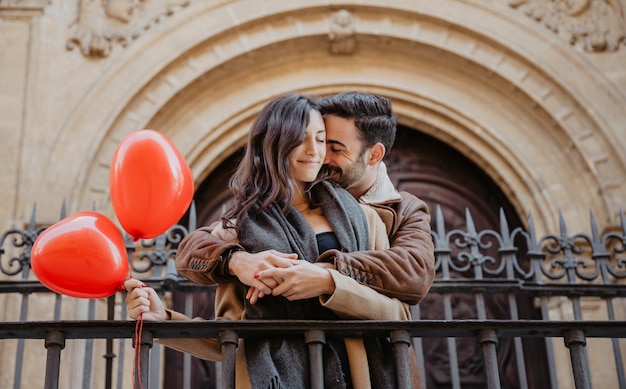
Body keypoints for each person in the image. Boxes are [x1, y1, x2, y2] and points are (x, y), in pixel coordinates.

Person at [125, 93, 420, 388]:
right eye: (299, 138)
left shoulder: (365, 219)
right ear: (274, 143)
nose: (314, 151)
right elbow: (230, 338)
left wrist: (328, 283)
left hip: (361, 377)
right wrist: (164, 320)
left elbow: (398, 315)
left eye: (321, 139)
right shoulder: (238, 232)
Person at [176, 91, 435, 306]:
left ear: (374, 155)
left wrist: (325, 273)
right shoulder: (287, 204)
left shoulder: (405, 209)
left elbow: (414, 272)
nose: (320, 155)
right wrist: (237, 260)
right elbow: (197, 246)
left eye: (333, 147)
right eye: (310, 139)